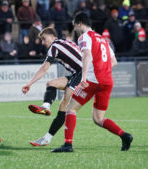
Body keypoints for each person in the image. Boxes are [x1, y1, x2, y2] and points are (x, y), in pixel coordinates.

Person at [51, 13, 133, 153]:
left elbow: (87, 54)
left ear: (80, 23)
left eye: (75, 25)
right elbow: (114, 62)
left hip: (92, 81)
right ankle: (125, 136)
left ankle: (68, 145)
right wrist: (101, 69)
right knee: (98, 118)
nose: (75, 29)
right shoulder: (103, 39)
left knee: (70, 108)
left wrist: (84, 76)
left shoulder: (84, 37)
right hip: (107, 81)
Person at [21, 27, 83, 147]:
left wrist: (29, 83)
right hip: (78, 73)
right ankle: (46, 111)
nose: (43, 43)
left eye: (44, 39)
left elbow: (44, 68)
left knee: (65, 105)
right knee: (51, 84)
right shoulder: (64, 42)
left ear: (53, 36)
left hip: (83, 73)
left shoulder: (54, 46)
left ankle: (52, 138)